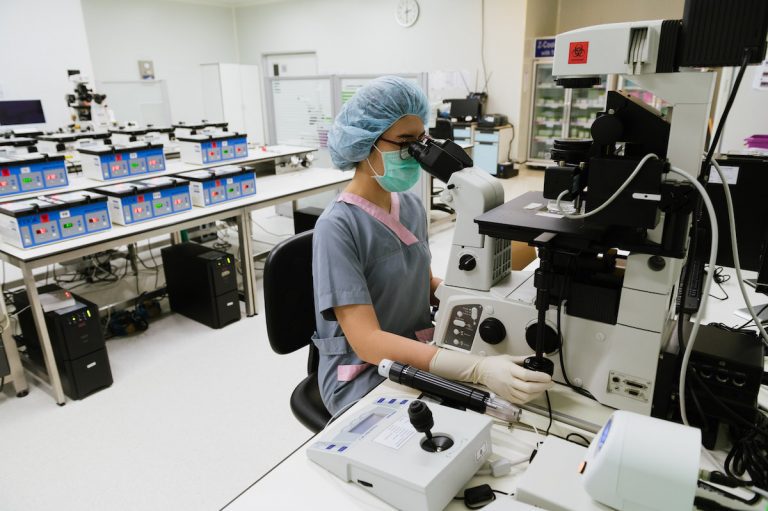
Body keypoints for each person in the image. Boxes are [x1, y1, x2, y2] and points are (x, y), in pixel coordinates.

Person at [312, 76, 552, 415]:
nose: (416, 153)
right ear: (366, 143)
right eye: (405, 142)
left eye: (422, 139)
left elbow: (421, 284)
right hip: (366, 373)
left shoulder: (409, 205)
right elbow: (366, 342)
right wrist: (475, 369)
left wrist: (480, 294)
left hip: (418, 348)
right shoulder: (337, 227)